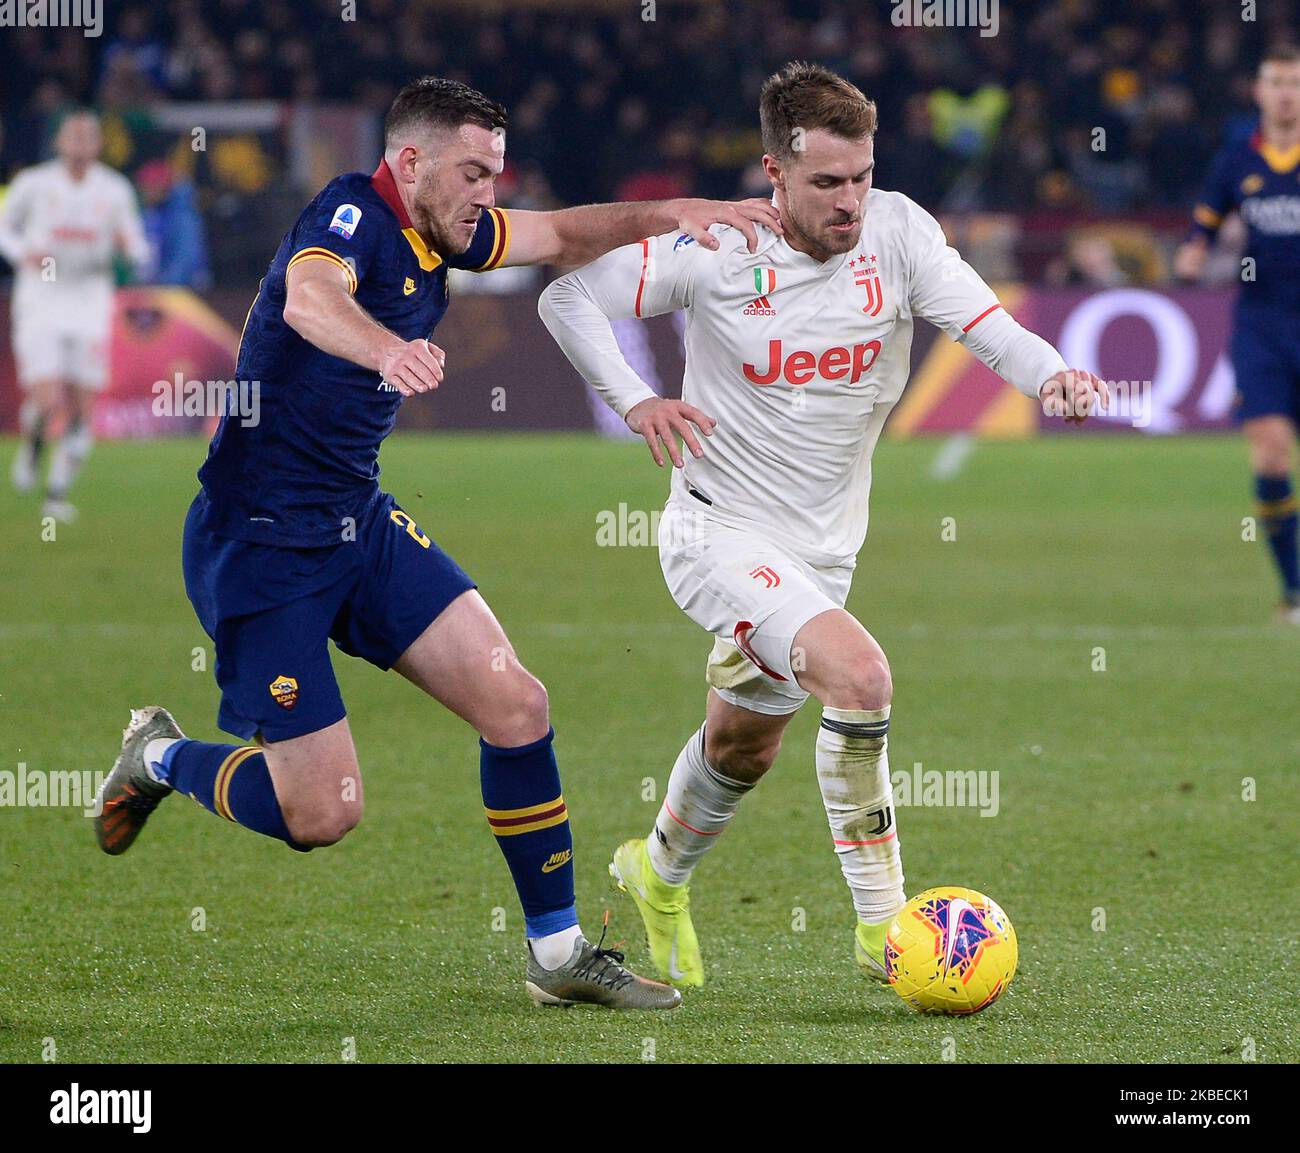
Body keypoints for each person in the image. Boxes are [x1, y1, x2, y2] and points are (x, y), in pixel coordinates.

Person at [93, 76, 780, 1010]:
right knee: (323, 813)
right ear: (410, 162)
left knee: (517, 703)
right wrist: (383, 350)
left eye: (494, 173)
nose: (487, 193)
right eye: (471, 172)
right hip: (260, 545)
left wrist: (687, 211)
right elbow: (305, 299)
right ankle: (161, 755)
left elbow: (564, 233)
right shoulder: (347, 214)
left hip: (358, 523)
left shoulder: (447, 230)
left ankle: (557, 953)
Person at [539, 61, 1107, 989]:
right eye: (827, 183)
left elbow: (987, 324)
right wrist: (639, 398)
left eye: (862, 177)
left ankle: (656, 873)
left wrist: (1051, 375)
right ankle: (884, 925)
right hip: (716, 532)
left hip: (823, 551)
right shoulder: (716, 248)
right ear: (774, 172)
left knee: (741, 745)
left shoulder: (901, 232)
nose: (850, 201)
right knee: (861, 674)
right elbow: (566, 296)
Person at [1175, 45, 1300, 623]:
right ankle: (1294, 591)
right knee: (1272, 456)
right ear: (1258, 90)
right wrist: (1195, 252)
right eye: (1276, 81)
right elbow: (1207, 217)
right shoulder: (1238, 157)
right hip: (1263, 326)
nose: (1285, 93)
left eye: (1295, 83)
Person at [0, 110, 149, 522]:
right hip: (41, 298)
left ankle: (56, 494)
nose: (81, 144)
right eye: (74, 136)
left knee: (83, 405)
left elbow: (138, 244)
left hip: (89, 299)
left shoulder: (115, 189)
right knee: (49, 399)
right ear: (59, 142)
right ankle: (33, 445)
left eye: (89, 137)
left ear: (98, 145)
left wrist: (130, 250)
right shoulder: (34, 183)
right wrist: (21, 253)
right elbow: (4, 226)